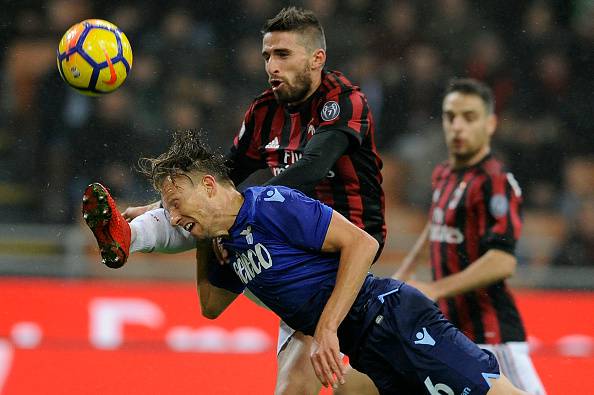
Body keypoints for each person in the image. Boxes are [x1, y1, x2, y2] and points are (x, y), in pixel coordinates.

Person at [82, 129, 529, 395]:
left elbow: (361, 245)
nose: (175, 216)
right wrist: (197, 236)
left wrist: (328, 327)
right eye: (169, 210)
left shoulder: (274, 203)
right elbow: (211, 307)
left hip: (390, 318)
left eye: (176, 203)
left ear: (210, 185)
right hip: (362, 347)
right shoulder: (226, 242)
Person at [88, 7, 384, 395]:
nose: (271, 66)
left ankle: (139, 233)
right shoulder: (264, 111)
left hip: (341, 252)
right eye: (267, 56)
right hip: (288, 244)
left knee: (303, 384)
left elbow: (311, 168)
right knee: (205, 220)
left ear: (317, 59)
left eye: (283, 55)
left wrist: (236, 212)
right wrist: (167, 207)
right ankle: (127, 235)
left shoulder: (344, 102)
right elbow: (220, 180)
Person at [393, 78, 546, 395]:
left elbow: (502, 261)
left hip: (492, 335)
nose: (458, 126)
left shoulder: (495, 182)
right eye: (451, 116)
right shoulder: (445, 174)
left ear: (490, 124)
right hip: (452, 332)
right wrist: (401, 276)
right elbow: (433, 229)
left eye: (469, 117)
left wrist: (436, 288)